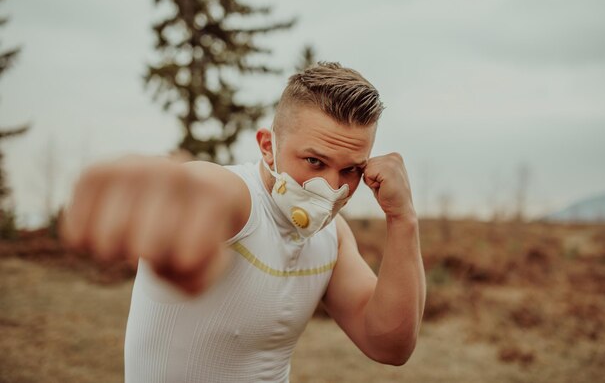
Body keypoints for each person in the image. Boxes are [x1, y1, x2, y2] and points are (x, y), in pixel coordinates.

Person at [60, 62, 427, 383]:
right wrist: (151, 190)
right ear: (267, 146)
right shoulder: (238, 196)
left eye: (349, 170)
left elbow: (389, 345)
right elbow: (199, 190)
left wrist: (403, 219)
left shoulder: (333, 237)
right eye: (314, 162)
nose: (331, 188)